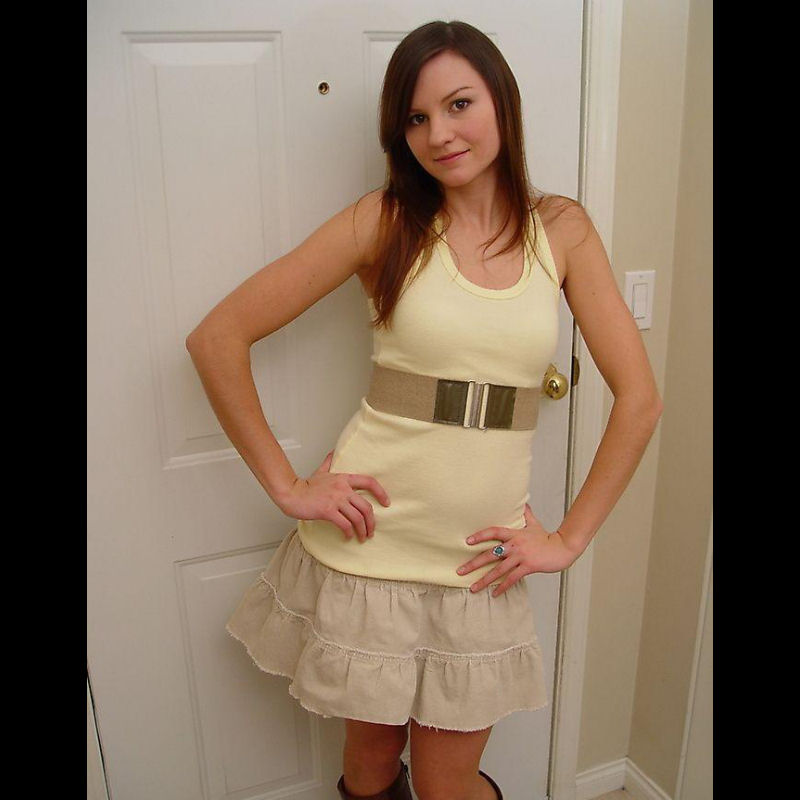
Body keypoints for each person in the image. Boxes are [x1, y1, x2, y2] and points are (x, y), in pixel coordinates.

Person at [186, 19, 662, 800]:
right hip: (369, 546)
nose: (439, 133)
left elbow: (639, 400)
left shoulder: (562, 229)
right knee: (370, 763)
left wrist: (569, 538)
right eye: (416, 117)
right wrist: (289, 486)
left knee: (446, 784)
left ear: (501, 101)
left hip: (478, 563)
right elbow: (217, 338)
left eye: (459, 104)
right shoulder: (385, 221)